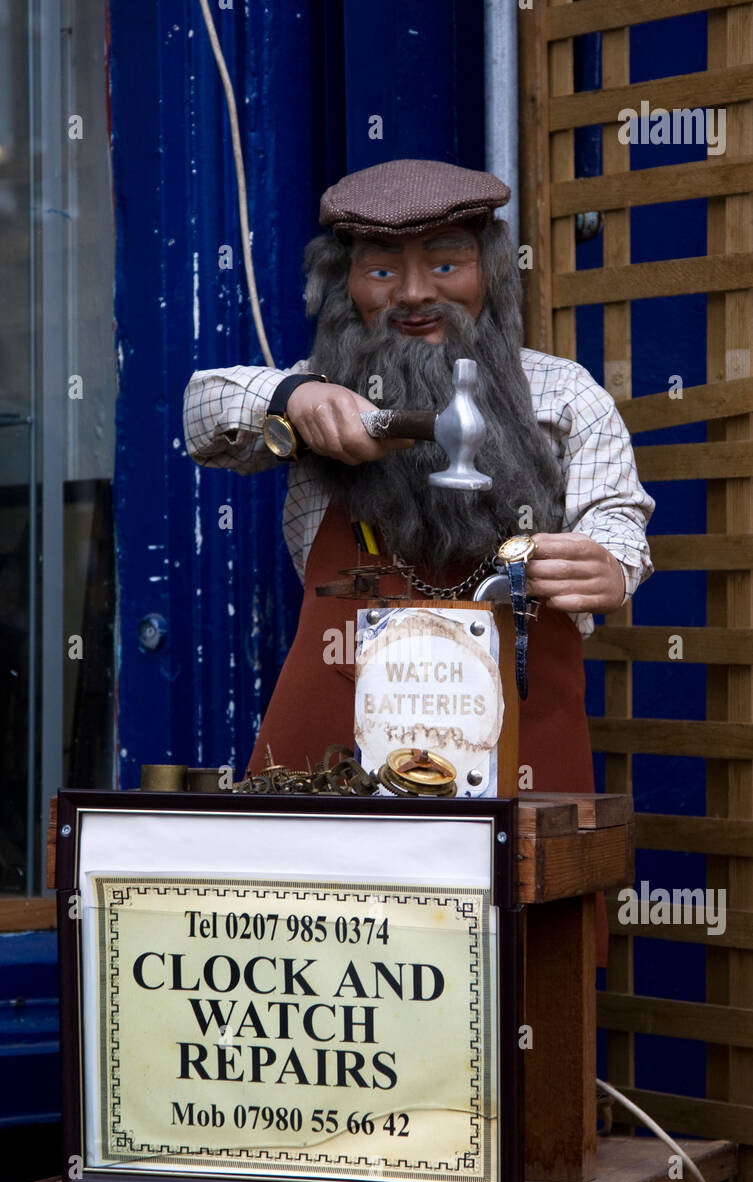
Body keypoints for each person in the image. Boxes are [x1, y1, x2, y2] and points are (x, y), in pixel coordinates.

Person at [183, 159, 654, 963]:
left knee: (522, 988)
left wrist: (609, 561)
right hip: (334, 770)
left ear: (490, 274)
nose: (411, 294)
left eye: (444, 263)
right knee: (317, 973)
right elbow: (200, 411)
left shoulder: (563, 396)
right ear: (345, 285)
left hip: (517, 763)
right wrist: (288, 397)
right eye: (379, 269)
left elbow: (617, 517)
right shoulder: (318, 397)